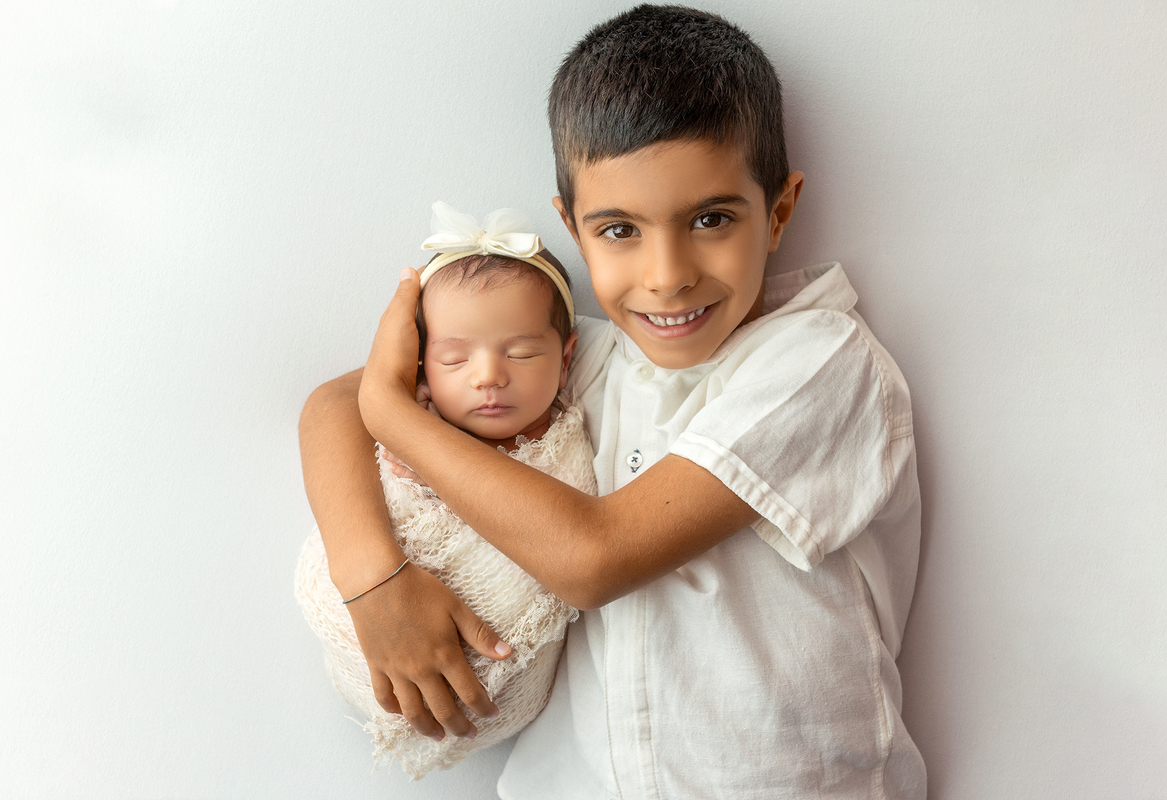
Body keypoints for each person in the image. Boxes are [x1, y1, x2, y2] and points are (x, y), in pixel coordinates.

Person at [299, 5, 927, 798]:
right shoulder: (578, 357)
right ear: (572, 226)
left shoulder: (821, 363)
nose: (667, 276)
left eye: (710, 219)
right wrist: (372, 578)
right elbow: (335, 404)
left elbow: (592, 561)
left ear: (779, 211)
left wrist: (393, 415)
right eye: (620, 230)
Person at [295, 203, 595, 778]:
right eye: (455, 358)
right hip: (376, 617)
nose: (488, 376)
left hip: (510, 683)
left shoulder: (568, 440)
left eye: (522, 352)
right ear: (421, 367)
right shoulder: (414, 419)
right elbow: (349, 423)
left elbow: (567, 537)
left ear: (566, 357)